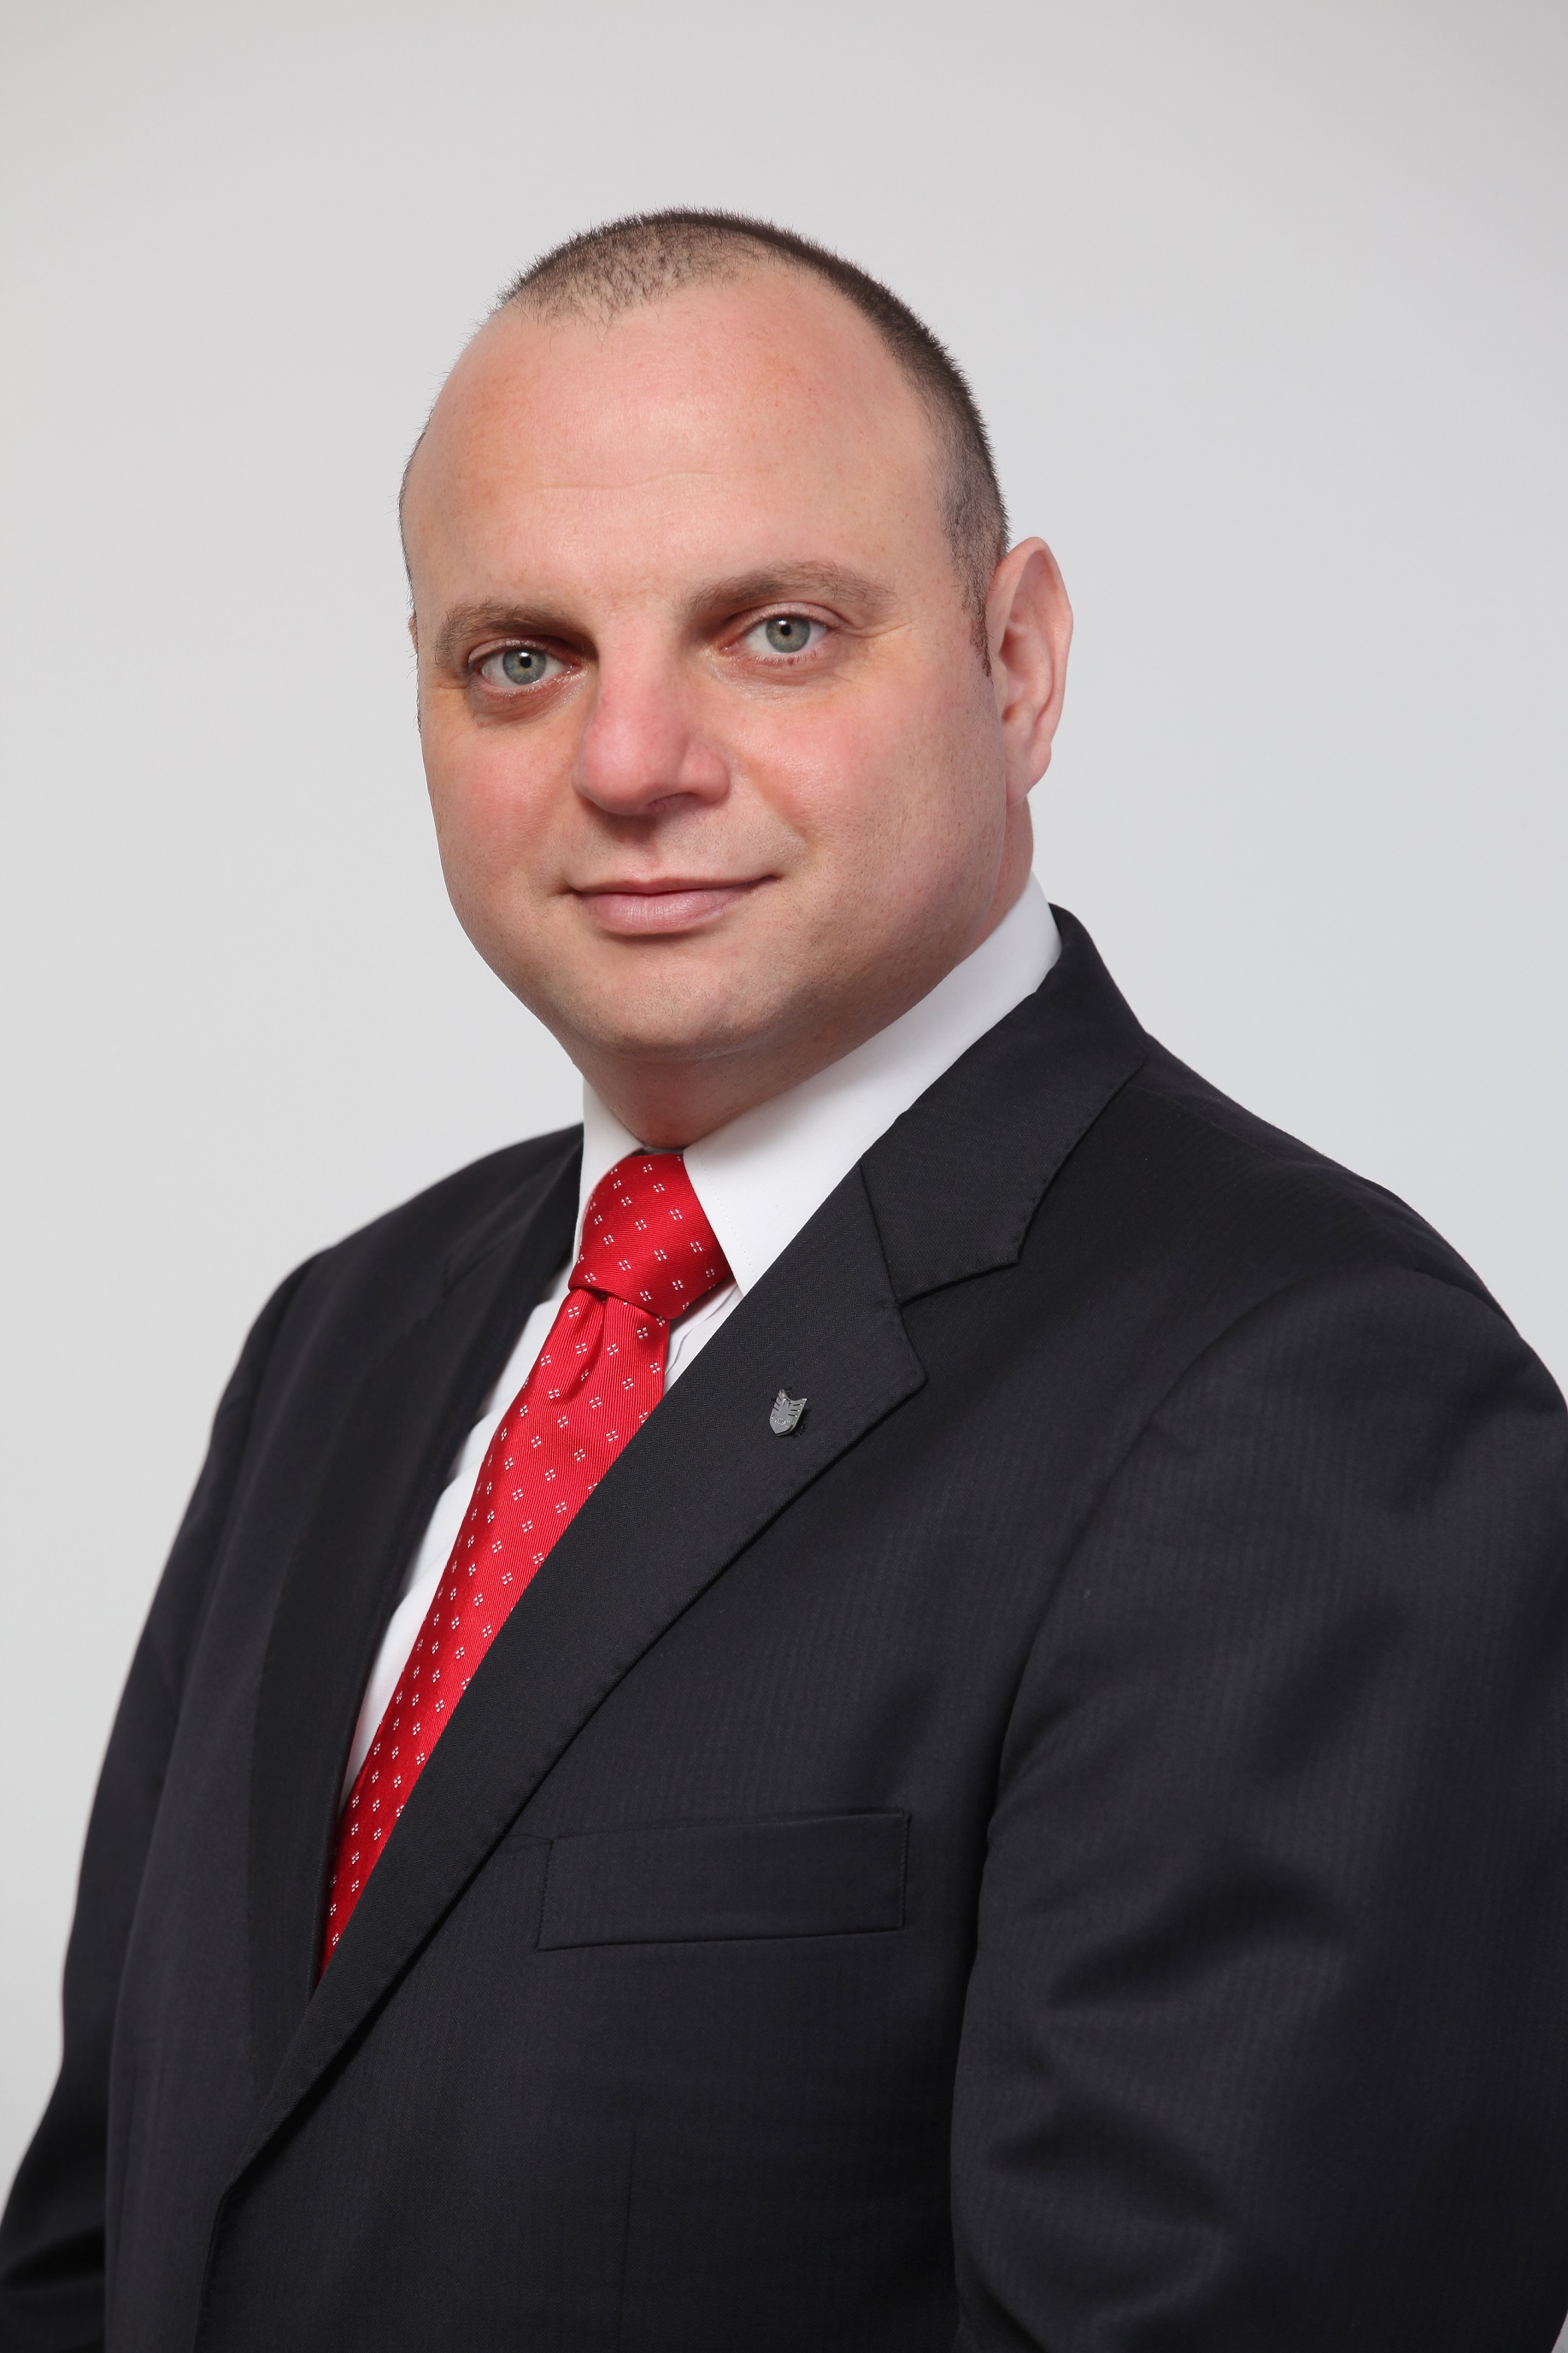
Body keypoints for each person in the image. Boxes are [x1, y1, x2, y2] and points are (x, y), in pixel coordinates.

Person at [3, 209, 1566, 2353]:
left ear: (1016, 664)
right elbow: (104, 2241)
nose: (630, 762)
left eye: (776, 631)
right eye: (523, 657)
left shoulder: (1314, 1407)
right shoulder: (345, 1337)